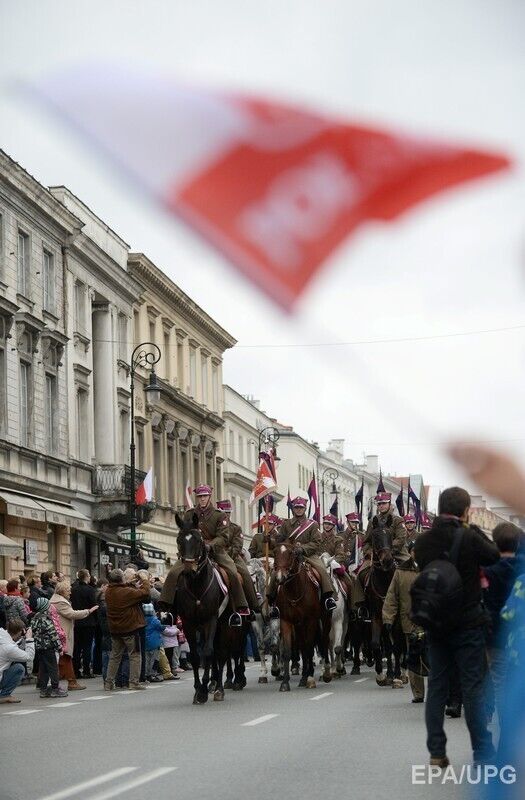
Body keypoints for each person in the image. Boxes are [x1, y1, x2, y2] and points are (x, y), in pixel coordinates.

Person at [414, 486, 500, 768]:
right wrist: (472, 530)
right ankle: (483, 752)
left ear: (439, 509)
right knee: (473, 688)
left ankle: (437, 752)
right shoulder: (470, 537)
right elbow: (493, 556)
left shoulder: (423, 540)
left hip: (437, 624)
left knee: (437, 686)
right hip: (467, 623)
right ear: (466, 511)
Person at [161, 485, 250, 626]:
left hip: (215, 550)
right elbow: (184, 533)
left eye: (205, 496)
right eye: (200, 496)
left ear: (209, 497)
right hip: (193, 551)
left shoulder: (219, 515)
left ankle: (238, 608)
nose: (202, 499)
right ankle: (168, 609)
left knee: (233, 572)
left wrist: (210, 545)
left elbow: (223, 536)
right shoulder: (190, 514)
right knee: (173, 573)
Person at [266, 496, 337, 615]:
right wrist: (270, 540)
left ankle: (328, 597)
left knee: (321, 570)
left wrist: (302, 549)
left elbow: (316, 542)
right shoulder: (286, 524)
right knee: (276, 572)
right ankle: (272, 600)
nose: (298, 509)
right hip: (289, 556)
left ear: (304, 509)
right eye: (296, 507)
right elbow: (280, 541)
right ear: (293, 509)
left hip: (308, 556)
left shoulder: (312, 525)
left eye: (301, 507)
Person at [482, 521, 524, 721]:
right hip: (519, 634)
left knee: (497, 679)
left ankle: (502, 720)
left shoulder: (488, 571)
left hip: (495, 634)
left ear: (495, 544)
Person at [382, 540, 425, 703]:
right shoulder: (400, 571)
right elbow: (392, 596)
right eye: (415, 550)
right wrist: (388, 617)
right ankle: (418, 693)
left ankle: (441, 692)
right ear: (410, 552)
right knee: (413, 656)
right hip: (409, 621)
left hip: (432, 621)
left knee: (433, 657)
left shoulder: (433, 567)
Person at [104, 568, 150, 691]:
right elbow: (144, 593)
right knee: (135, 655)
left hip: (115, 629)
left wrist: (130, 583)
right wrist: (145, 580)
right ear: (121, 579)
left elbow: (122, 589)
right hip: (130, 628)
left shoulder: (108, 591)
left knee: (115, 656)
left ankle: (109, 682)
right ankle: (134, 682)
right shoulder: (126, 592)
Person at [50, 581, 98, 691]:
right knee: (66, 657)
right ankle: (71, 682)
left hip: (59, 631)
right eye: (68, 590)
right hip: (63, 632)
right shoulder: (60, 602)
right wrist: (88, 611)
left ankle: (45, 681)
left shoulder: (55, 599)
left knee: (56, 658)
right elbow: (72, 614)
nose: (70, 593)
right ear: (62, 591)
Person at [218, 499, 261, 617]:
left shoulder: (235, 528)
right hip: (214, 555)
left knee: (245, 575)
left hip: (233, 557)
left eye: (228, 513)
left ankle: (253, 605)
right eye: (223, 513)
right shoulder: (214, 527)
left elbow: (237, 545)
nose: (226, 515)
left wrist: (227, 555)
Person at [319, 513, 365, 612]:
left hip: (339, 565)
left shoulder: (339, 539)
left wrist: (334, 562)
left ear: (333, 526)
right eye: (326, 523)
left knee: (350, 581)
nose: (327, 526)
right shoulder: (318, 537)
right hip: (320, 565)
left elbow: (340, 554)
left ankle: (353, 608)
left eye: (330, 524)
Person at [31, 597, 67, 698]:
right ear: (46, 607)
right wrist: (59, 647)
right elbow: (53, 634)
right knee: (53, 668)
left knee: (43, 668)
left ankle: (43, 689)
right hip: (48, 647)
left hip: (39, 647)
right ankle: (55, 688)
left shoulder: (35, 618)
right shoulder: (47, 619)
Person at [71, 569, 98, 679]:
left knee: (77, 647)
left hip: (77, 620)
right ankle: (86, 670)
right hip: (88, 621)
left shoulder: (74, 589)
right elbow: (94, 605)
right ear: (87, 577)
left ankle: (76, 670)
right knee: (87, 647)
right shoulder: (90, 590)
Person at [0, 621, 35, 704]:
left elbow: (13, 646)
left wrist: (21, 640)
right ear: (21, 631)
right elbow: (29, 657)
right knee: (19, 668)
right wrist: (29, 639)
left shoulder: (2, 636)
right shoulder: (9, 648)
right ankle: (4, 695)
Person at [143, 602, 166, 682]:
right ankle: (152, 675)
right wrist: (163, 619)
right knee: (155, 660)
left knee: (147, 660)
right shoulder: (155, 620)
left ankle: (146, 674)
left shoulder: (142, 619)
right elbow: (162, 628)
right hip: (155, 643)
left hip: (146, 643)